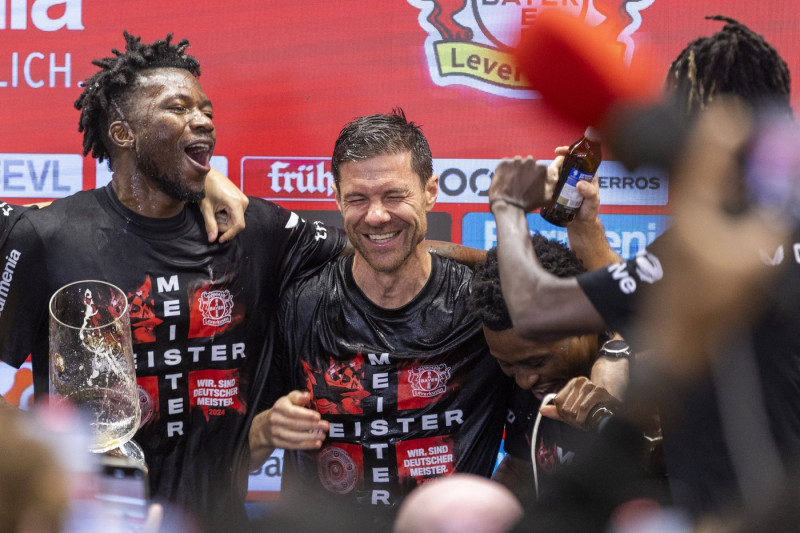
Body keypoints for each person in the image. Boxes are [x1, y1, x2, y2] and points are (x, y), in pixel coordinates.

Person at [0, 32, 348, 532]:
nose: (203, 120)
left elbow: (381, 253)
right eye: (179, 108)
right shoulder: (45, 237)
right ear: (123, 133)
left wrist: (497, 254)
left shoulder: (249, 229)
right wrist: (45, 451)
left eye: (206, 110)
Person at [489, 15, 797, 520]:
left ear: (713, 129)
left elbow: (534, 310)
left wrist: (505, 205)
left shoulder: (709, 248)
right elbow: (660, 300)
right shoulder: (733, 243)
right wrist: (586, 227)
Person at [247, 109, 513, 528]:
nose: (376, 216)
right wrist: (266, 429)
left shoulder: (480, 304)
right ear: (336, 200)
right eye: (358, 199)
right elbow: (234, 446)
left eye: (394, 196)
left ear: (430, 192)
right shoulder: (300, 303)